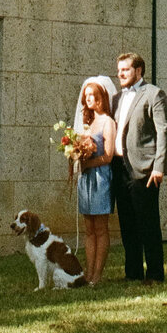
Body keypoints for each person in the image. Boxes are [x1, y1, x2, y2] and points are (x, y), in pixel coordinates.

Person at [111, 52, 167, 285]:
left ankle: (155, 274)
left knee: (148, 223)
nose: (120, 74)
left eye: (125, 70)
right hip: (119, 168)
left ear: (138, 70)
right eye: (118, 71)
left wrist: (159, 167)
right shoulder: (116, 98)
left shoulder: (154, 94)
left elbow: (164, 131)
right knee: (127, 223)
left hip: (145, 170)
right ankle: (133, 272)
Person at [72, 75, 116, 286]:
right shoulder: (87, 122)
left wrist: (89, 163)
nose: (89, 99)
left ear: (101, 97)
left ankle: (98, 274)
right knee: (89, 229)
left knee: (100, 228)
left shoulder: (107, 121)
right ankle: (88, 272)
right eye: (86, 95)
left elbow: (107, 156)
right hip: (86, 179)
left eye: (93, 95)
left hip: (100, 179)